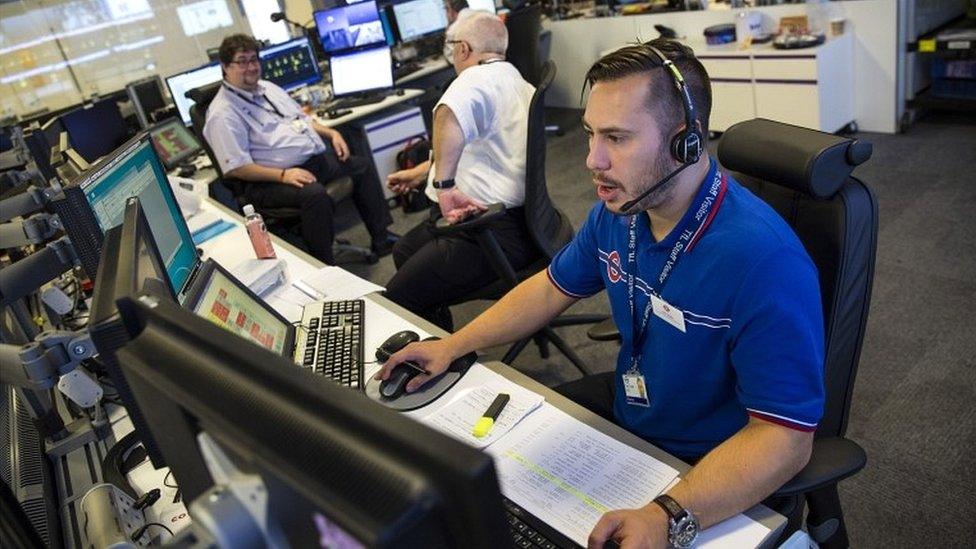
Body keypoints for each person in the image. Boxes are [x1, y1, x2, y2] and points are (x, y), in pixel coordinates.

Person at [376, 40, 825, 548]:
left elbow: (787, 440)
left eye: (616, 137)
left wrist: (669, 515)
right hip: (634, 412)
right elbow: (549, 289)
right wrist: (452, 346)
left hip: (706, 458)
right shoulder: (621, 214)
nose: (592, 159)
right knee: (494, 487)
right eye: (591, 133)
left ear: (687, 143)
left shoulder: (764, 261)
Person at [383, 14, 539, 330]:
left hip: (489, 229)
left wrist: (444, 186)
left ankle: (446, 359)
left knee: (397, 297)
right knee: (405, 249)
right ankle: (438, 328)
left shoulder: (473, 79)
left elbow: (448, 113)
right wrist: (422, 173)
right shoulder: (516, 81)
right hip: (526, 224)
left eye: (452, 47)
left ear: (464, 49)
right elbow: (481, 143)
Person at [204, 34, 397, 264]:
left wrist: (331, 133)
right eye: (242, 61)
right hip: (268, 181)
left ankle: (381, 238)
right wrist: (284, 175)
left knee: (359, 166)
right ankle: (323, 265)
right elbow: (236, 168)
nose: (252, 66)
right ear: (225, 67)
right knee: (314, 194)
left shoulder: (267, 88)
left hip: (309, 162)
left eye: (254, 59)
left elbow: (302, 120)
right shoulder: (223, 113)